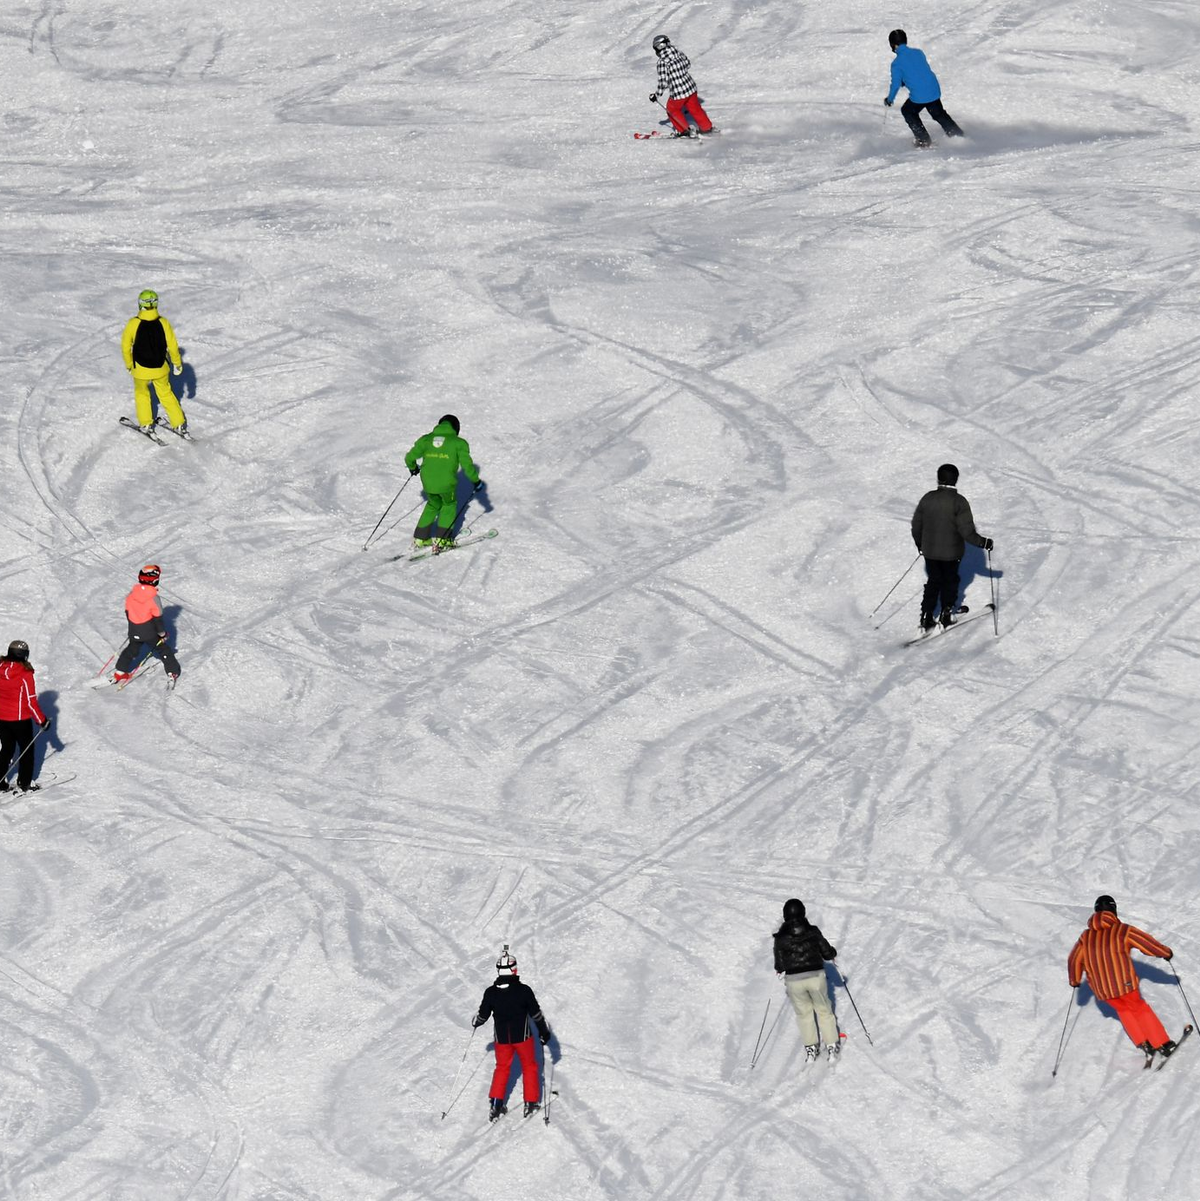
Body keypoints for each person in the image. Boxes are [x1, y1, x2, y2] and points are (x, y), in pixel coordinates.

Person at [1068, 895, 1179, 1061]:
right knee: (1139, 1008)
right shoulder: (1122, 930)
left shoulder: (1086, 937)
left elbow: (1074, 960)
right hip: (1124, 984)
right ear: (1113, 911)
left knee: (1123, 1010)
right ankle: (1162, 1044)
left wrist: (1075, 980)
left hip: (1102, 990)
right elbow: (1146, 943)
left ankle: (1143, 1043)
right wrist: (1165, 953)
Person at [472, 945, 552, 1120]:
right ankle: (530, 1103)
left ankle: (496, 1104)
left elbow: (482, 1016)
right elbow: (536, 1013)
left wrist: (476, 1022)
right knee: (530, 1066)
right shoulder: (524, 990)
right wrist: (544, 1032)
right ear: (513, 969)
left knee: (501, 1068)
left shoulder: (490, 992)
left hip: (501, 1040)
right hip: (522, 1038)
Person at [911, 463, 993, 631]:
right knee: (950, 580)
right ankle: (946, 614)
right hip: (952, 553)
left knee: (934, 581)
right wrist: (983, 543)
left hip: (930, 552)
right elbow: (967, 531)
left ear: (938, 478)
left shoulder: (928, 498)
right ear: (955, 480)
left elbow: (916, 525)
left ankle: (926, 615)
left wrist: (920, 544)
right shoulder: (959, 502)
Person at [404, 415, 483, 552]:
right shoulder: (459, 443)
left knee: (433, 504)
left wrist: (413, 468)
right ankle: (443, 539)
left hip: (428, 483)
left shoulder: (426, 439)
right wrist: (476, 481)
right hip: (446, 484)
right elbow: (467, 466)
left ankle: (420, 538)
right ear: (456, 428)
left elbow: (409, 458)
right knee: (449, 505)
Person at [774, 899, 841, 1062]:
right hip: (815, 977)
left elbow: (779, 965)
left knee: (804, 1014)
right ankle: (831, 1046)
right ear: (803, 912)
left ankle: (811, 1048)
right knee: (824, 1010)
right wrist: (832, 953)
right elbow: (827, 953)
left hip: (794, 981)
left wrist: (783, 967)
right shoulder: (812, 931)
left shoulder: (780, 938)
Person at [121, 289, 187, 435]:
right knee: (165, 393)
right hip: (161, 368)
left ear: (140, 304)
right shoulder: (163, 323)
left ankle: (146, 424)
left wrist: (128, 364)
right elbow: (173, 346)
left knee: (142, 394)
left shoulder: (133, 323)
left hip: (140, 369)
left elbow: (125, 346)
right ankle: (179, 424)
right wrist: (177, 363)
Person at [884, 30, 964, 148]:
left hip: (919, 95)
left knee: (907, 111)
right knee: (938, 113)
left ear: (893, 45)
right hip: (933, 89)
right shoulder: (918, 52)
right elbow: (918, 71)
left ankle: (923, 140)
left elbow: (896, 84)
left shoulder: (896, 64)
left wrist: (890, 99)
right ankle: (958, 135)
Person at [111, 565, 181, 685]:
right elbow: (157, 619)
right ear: (155, 581)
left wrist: (134, 628)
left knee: (131, 649)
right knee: (163, 649)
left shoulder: (131, 594)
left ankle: (120, 672)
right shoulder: (153, 598)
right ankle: (172, 672)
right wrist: (162, 634)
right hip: (149, 632)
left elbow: (128, 613)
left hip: (134, 630)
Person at [0, 641, 50, 794]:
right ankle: (24, 783)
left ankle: (0, 781)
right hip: (20, 720)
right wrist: (42, 721)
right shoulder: (24, 674)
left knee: (7, 749)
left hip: (1, 718)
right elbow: (30, 701)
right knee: (26, 751)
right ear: (25, 655)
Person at [649, 34, 715, 139]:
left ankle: (684, 130)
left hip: (679, 92)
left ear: (659, 47)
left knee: (672, 109)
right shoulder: (679, 53)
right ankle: (707, 128)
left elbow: (663, 82)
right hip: (691, 87)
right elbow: (688, 64)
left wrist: (656, 95)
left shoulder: (662, 62)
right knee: (695, 108)